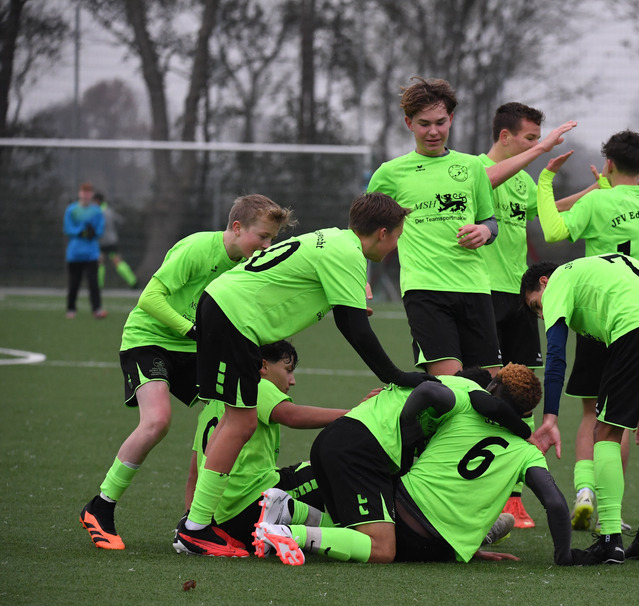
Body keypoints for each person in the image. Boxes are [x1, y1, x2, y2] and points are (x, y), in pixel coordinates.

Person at [175, 192, 434, 557]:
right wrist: (397, 375)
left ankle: (197, 523)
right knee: (241, 422)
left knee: (236, 420)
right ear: (382, 233)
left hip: (224, 309)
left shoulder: (335, 241)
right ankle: (196, 528)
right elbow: (354, 328)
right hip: (233, 316)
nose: (395, 245)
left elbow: (342, 310)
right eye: (397, 236)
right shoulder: (347, 253)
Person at [79, 193, 291, 550]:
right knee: (158, 420)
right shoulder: (197, 248)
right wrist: (193, 332)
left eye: (272, 239)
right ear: (237, 228)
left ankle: (197, 518)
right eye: (263, 237)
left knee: (230, 411)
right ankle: (100, 506)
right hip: (148, 340)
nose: (268, 246)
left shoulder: (248, 264)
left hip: (192, 348)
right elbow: (149, 298)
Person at [253, 364, 585, 566]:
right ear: (523, 413)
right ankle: (286, 533)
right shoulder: (507, 433)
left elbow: (430, 390)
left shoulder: (466, 398)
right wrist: (406, 428)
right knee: (382, 549)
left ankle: (289, 511)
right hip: (366, 452)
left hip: (350, 442)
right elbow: (555, 503)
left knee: (359, 528)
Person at [536, 130, 639, 534]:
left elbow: (554, 231)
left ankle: (585, 492)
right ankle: (611, 506)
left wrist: (544, 182)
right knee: (621, 420)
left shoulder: (596, 200)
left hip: (598, 320)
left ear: (607, 164)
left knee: (592, 414)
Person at [523, 255, 639, 564]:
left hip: (638, 328)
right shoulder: (601, 271)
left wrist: (550, 417)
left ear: (544, 283)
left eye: (537, 305)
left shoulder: (559, 278)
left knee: (604, 432)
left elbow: (556, 354)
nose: (542, 312)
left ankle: (611, 539)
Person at [478, 101, 583, 529]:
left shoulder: (521, 183)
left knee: (523, 391)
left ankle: (515, 496)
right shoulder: (474, 172)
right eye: (530, 138)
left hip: (518, 297)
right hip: (481, 294)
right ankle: (481, 485)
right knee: (487, 388)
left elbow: (548, 213)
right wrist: (544, 156)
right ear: (505, 136)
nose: (536, 144)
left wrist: (599, 191)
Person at [366, 77, 499, 378]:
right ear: (408, 123)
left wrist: (485, 232)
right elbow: (362, 232)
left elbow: (491, 222)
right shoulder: (390, 173)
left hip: (474, 286)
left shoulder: (472, 167)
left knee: (490, 387)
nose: (433, 131)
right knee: (449, 386)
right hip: (424, 289)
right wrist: (357, 277)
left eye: (440, 122)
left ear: (451, 119)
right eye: (424, 123)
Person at [182, 340, 349, 554]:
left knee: (301, 472)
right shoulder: (255, 385)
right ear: (263, 366)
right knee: (328, 469)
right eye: (288, 370)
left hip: (221, 522)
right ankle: (354, 533)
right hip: (254, 504)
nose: (292, 380)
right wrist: (353, 415)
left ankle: (286, 525)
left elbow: (193, 475)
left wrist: (193, 523)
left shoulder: (211, 407)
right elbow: (292, 415)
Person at [62, 181, 107, 319]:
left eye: (88, 193)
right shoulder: (71, 210)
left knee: (94, 282)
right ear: (80, 194)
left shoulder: (97, 211)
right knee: (74, 283)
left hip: (91, 254)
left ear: (91, 195)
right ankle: (71, 309)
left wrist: (94, 232)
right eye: (84, 192)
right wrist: (80, 232)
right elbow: (67, 228)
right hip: (74, 254)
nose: (86, 195)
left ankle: (97, 309)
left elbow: (100, 229)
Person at [94, 192, 139, 289]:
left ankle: (98, 285)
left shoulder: (96, 212)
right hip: (111, 241)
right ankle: (133, 281)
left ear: (97, 201)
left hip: (100, 241)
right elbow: (120, 221)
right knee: (117, 262)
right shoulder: (109, 211)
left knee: (100, 262)